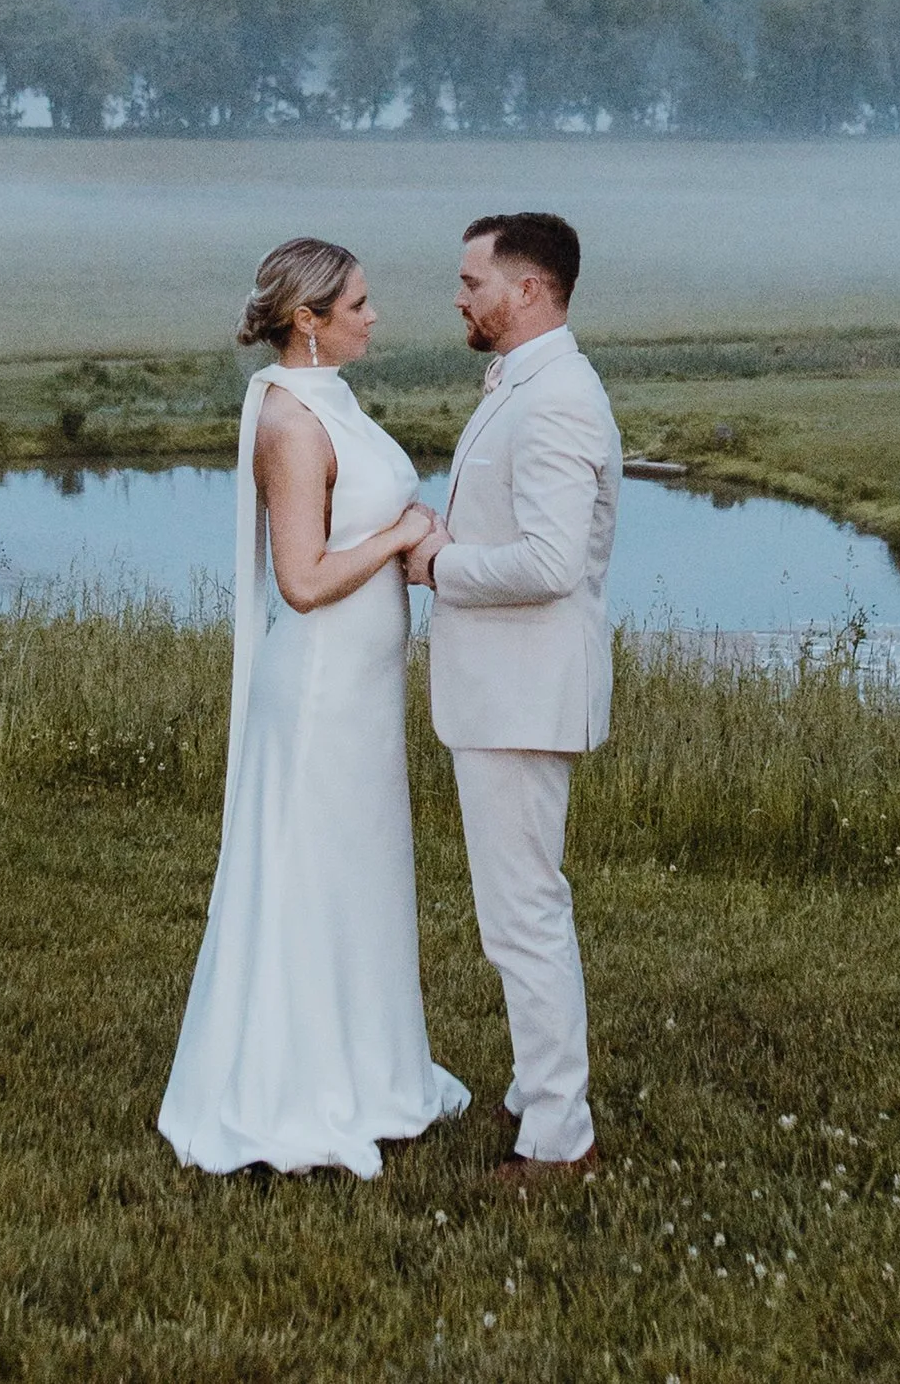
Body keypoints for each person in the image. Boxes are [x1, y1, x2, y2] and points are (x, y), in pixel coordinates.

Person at [157, 236, 470, 1177]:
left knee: (360, 879)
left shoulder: (336, 401)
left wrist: (424, 536)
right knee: (312, 877)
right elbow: (300, 579)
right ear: (310, 322)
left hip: (364, 693)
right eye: (360, 303)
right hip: (322, 692)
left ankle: (371, 1068)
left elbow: (368, 518)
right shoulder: (290, 424)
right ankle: (293, 1088)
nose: (375, 316)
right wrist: (401, 538)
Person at [403, 210, 622, 1185]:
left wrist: (439, 562)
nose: (459, 297)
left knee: (524, 913)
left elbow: (547, 562)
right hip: (508, 690)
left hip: (525, 693)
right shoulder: (524, 385)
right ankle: (538, 1093)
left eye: (471, 281)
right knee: (519, 909)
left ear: (527, 289)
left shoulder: (559, 398)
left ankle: (557, 1138)